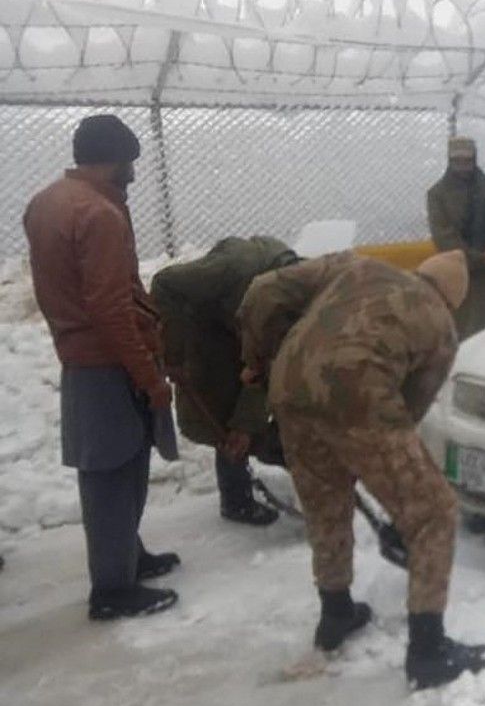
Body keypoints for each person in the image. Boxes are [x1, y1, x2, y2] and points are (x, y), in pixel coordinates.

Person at [237, 250, 485, 690]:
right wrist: (374, 459)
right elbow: (408, 413)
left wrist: (259, 358)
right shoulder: (441, 327)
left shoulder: (355, 266)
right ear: (452, 300)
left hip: (289, 389)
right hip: (359, 398)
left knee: (325, 504)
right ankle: (428, 652)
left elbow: (263, 289)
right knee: (433, 512)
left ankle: (336, 613)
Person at [22, 114, 180, 620]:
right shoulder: (100, 215)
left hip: (80, 357)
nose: (133, 172)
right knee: (116, 470)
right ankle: (112, 589)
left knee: (113, 465)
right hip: (108, 360)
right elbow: (111, 308)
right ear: (118, 160)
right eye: (131, 162)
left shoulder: (46, 202)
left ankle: (126, 556)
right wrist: (149, 378)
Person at [151, 236, 303, 526]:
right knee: (222, 412)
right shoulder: (232, 269)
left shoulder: (294, 294)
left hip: (239, 325)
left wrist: (247, 424)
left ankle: (286, 464)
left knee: (248, 416)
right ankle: (236, 500)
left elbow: (263, 366)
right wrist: (174, 353)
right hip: (205, 327)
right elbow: (165, 284)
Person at [427, 136, 485, 338]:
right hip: (462, 275)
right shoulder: (438, 194)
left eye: (467, 161)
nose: (463, 166)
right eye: (457, 161)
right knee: (466, 333)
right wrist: (471, 257)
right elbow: (443, 234)